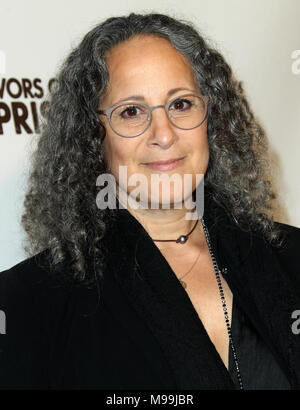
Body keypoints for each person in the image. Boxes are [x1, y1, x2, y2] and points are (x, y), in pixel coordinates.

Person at [0, 12, 299, 390]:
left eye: (180, 104)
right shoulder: (28, 303)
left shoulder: (290, 257)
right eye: (131, 112)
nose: (164, 134)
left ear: (212, 116)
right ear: (93, 135)